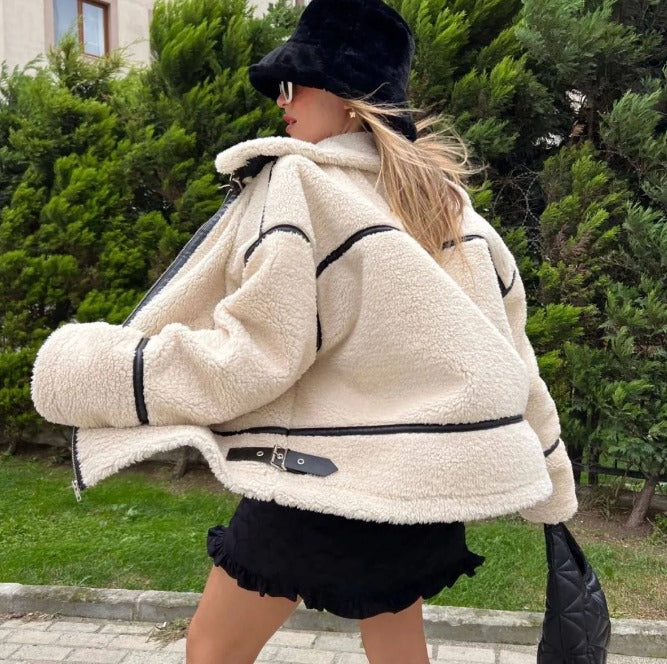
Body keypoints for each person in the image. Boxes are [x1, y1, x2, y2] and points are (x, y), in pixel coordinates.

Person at [30, 0, 579, 663]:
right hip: (421, 488)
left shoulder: (302, 181)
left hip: (321, 480)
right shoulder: (449, 208)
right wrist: (553, 479)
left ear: (348, 96)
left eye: (293, 83)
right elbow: (513, 355)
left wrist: (95, 371)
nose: (280, 101)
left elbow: (256, 354)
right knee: (397, 647)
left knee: (211, 648)